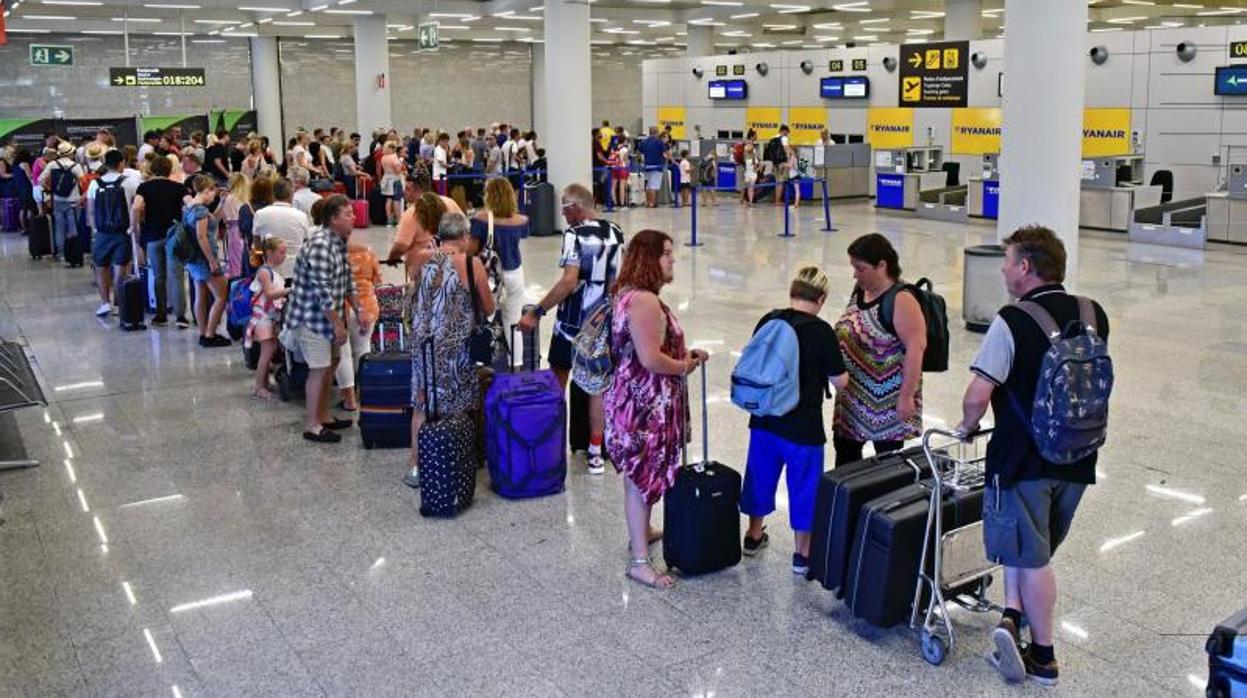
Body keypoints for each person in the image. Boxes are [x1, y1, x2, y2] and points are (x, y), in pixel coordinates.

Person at [955, 225, 1109, 688]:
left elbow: (978, 394)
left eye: (1008, 260)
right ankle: (1011, 616)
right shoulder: (1093, 312)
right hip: (1078, 455)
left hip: (1022, 459)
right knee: (1031, 549)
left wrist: (966, 427)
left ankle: (1043, 655)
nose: (1002, 268)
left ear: (1026, 267)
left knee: (1033, 557)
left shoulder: (1012, 319)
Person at [604, 229, 707, 589]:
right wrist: (684, 366)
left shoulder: (628, 294)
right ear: (650, 259)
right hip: (642, 410)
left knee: (639, 477)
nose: (672, 259)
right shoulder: (644, 301)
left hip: (634, 403)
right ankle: (638, 562)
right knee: (639, 479)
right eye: (666, 253)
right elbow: (650, 359)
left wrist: (683, 357)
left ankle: (642, 530)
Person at [739, 267, 850, 574]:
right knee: (804, 487)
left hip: (764, 420)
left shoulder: (769, 320)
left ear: (792, 292)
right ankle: (802, 553)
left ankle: (753, 535)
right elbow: (840, 382)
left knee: (760, 477)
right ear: (822, 298)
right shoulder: (822, 331)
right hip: (802, 428)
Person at [518, 183, 624, 473]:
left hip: (572, 324)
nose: (563, 216)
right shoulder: (616, 231)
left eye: (564, 209)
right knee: (598, 388)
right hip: (603, 324)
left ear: (576, 207)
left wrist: (537, 312)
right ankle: (595, 452)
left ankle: (550, 447)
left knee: (557, 380)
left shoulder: (574, 235)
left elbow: (568, 281)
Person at [403, 212, 495, 489]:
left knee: (422, 403)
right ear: (465, 236)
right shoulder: (471, 263)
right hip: (455, 349)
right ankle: (454, 461)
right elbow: (488, 308)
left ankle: (417, 468)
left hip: (422, 345)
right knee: (459, 405)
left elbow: (414, 291)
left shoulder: (419, 257)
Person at [832, 233, 925, 465]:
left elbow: (917, 347)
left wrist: (906, 397)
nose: (855, 273)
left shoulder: (901, 299)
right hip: (852, 401)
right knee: (845, 460)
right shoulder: (859, 290)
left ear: (882, 265)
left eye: (860, 268)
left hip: (887, 403)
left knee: (886, 465)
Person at [281, 194, 364, 444]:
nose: (354, 217)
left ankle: (324, 415)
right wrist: (338, 324)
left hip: (330, 317)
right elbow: (321, 290)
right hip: (313, 319)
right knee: (318, 368)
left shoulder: (338, 240)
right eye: (348, 214)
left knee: (332, 363)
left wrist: (358, 309)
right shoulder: (320, 244)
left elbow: (347, 279)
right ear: (333, 219)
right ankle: (312, 424)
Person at [469, 178, 529, 362]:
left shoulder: (481, 219)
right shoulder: (522, 221)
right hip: (515, 274)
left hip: (491, 277)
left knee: (483, 322)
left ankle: (481, 366)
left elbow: (471, 251)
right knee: (514, 324)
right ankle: (516, 370)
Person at [132, 155, 187, 327]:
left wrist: (136, 227)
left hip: (152, 235)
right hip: (174, 236)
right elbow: (189, 204)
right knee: (176, 276)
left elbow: (136, 207)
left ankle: (161, 315)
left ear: (152, 169)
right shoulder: (179, 187)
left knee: (158, 276)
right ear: (170, 170)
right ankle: (180, 317)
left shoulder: (144, 187)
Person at [85, 150, 135, 318]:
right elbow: (135, 208)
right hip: (123, 232)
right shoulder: (128, 183)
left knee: (101, 268)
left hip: (102, 233)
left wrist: (95, 230)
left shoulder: (94, 184)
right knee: (121, 269)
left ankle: (105, 303)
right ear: (121, 163)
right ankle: (120, 304)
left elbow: (91, 211)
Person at [183, 176, 231, 348]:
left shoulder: (189, 207)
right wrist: (212, 260)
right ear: (206, 191)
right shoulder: (200, 211)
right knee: (221, 295)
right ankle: (210, 334)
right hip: (205, 258)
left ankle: (203, 333)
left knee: (201, 294)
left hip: (193, 259)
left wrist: (223, 202)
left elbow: (214, 219)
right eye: (213, 193)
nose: (214, 197)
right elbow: (202, 236)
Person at [334, 239, 381, 412]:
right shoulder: (368, 252)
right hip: (367, 306)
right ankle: (366, 393)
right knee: (363, 349)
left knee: (343, 353)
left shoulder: (331, 254)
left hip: (341, 308)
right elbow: (377, 279)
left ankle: (349, 400)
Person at [386, 171, 460, 269]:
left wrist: (392, 258)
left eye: (408, 189)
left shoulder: (412, 213)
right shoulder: (449, 202)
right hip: (452, 267)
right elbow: (465, 230)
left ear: (419, 190)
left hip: (424, 271)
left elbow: (401, 246)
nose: (404, 192)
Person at [246, 238, 289, 400]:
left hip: (268, 317)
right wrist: (289, 290)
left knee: (269, 353)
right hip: (262, 318)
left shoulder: (271, 271)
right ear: (269, 253)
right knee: (266, 353)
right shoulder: (264, 272)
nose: (284, 256)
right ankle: (258, 387)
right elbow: (270, 294)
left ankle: (264, 383)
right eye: (281, 252)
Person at [39, 141, 86, 265]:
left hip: (58, 200)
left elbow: (40, 180)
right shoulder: (76, 166)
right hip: (73, 200)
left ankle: (61, 254)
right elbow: (83, 182)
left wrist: (49, 189)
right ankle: (74, 253)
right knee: (73, 227)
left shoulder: (52, 164)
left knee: (59, 227)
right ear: (71, 153)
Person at [254, 177, 310, 277]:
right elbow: (306, 244)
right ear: (292, 195)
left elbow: (256, 244)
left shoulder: (260, 214)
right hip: (295, 271)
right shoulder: (301, 216)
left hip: (270, 271)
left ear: (272, 194)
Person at [217, 173, 255, 278]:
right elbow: (253, 216)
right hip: (241, 231)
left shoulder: (227, 198)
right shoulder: (241, 199)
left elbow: (223, 218)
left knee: (234, 262)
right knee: (241, 262)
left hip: (231, 231)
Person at [637, 127, 669, 208]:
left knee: (648, 185)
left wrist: (640, 161)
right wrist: (667, 159)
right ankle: (652, 203)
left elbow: (638, 152)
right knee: (654, 186)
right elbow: (666, 154)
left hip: (647, 166)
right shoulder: (659, 142)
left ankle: (648, 202)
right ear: (657, 132)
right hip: (657, 166)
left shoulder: (644, 142)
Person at [379, 141, 406, 227]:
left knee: (388, 200)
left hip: (386, 179)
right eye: (394, 147)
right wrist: (402, 165)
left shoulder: (383, 157)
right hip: (395, 180)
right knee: (396, 200)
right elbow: (398, 170)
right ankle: (398, 221)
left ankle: (389, 221)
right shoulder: (394, 157)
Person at [610, 138, 631, 209]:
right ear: (624, 141)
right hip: (622, 168)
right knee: (622, 186)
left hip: (614, 168)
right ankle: (622, 205)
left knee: (613, 186)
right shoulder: (625, 149)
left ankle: (615, 204)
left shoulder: (612, 148)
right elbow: (626, 160)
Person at [432, 132, 450, 197]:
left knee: (443, 195)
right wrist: (449, 166)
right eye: (445, 142)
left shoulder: (442, 149)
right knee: (442, 196)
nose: (446, 143)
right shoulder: (439, 150)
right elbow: (441, 163)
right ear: (440, 141)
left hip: (441, 176)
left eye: (447, 142)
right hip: (439, 177)